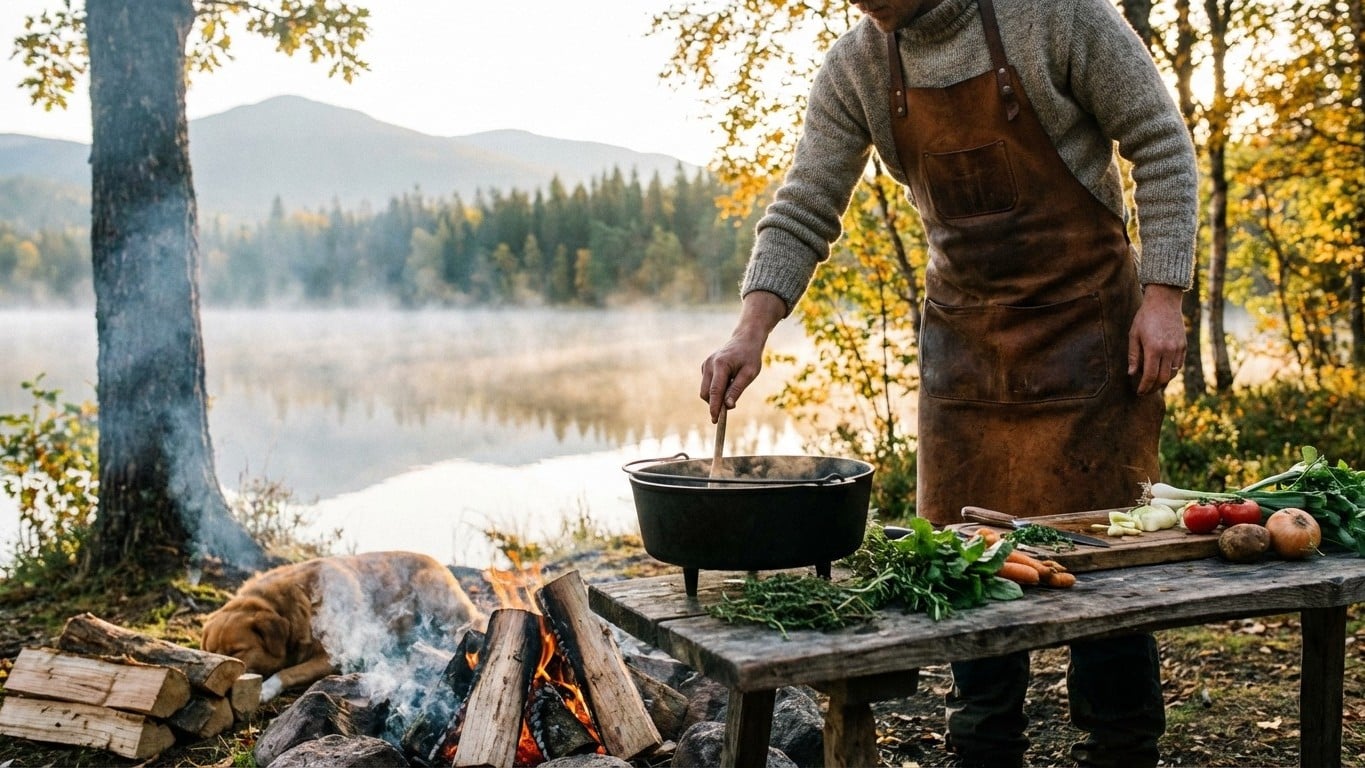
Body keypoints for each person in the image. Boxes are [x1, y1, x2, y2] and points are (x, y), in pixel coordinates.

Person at [698, 0, 1197, 765]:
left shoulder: (1059, 16)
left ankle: (1120, 748)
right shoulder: (857, 65)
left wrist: (1163, 294)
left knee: (1103, 574)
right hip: (964, 349)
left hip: (1088, 337)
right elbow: (805, 204)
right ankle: (983, 750)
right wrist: (750, 329)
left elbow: (1160, 143)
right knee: (967, 567)